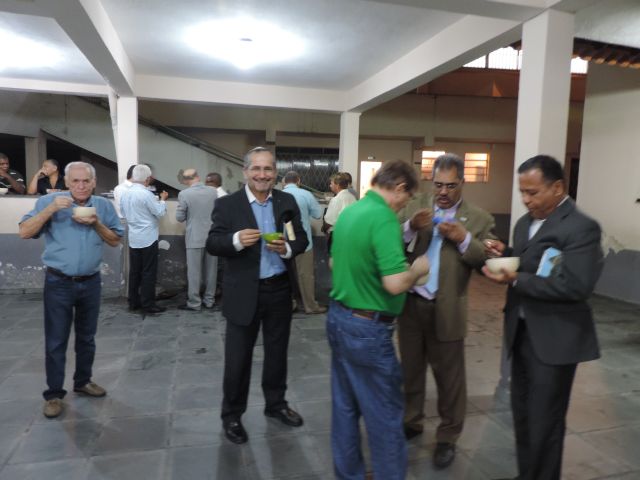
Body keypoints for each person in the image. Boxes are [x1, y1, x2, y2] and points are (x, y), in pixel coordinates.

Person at [482, 155, 603, 480]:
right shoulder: (525, 223)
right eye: (522, 191)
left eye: (532, 192)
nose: (525, 199)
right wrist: (506, 255)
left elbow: (576, 285)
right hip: (521, 331)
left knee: (545, 422)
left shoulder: (580, 227)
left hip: (555, 338)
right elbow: (530, 263)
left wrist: (516, 279)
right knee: (522, 414)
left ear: (558, 188)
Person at [327, 159, 430, 480]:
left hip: (339, 318)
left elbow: (333, 263)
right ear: (399, 188)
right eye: (408, 197)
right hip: (367, 330)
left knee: (345, 408)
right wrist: (417, 270)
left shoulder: (352, 211)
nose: (405, 205)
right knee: (385, 415)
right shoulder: (384, 217)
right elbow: (395, 283)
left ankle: (349, 474)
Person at [397, 153, 498, 469]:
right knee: (410, 370)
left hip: (448, 308)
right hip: (411, 305)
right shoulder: (415, 206)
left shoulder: (479, 218)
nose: (443, 192)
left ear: (462, 183)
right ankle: (411, 421)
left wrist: (464, 239)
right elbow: (391, 240)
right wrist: (411, 227)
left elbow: (487, 260)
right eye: (438, 184)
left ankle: (447, 437)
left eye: (451, 186)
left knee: (450, 379)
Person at [206, 147, 308, 445]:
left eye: (268, 169)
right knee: (238, 359)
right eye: (256, 169)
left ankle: (276, 405)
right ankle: (232, 415)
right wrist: (236, 240)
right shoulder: (227, 204)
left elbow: (300, 238)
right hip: (243, 292)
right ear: (245, 172)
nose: (262, 175)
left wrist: (287, 248)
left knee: (277, 354)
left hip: (278, 289)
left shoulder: (286, 201)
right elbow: (213, 242)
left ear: (275, 172)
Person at [18, 161, 123, 418]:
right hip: (59, 282)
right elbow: (24, 232)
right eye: (75, 181)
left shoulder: (103, 206)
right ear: (67, 182)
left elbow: (115, 239)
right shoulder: (49, 202)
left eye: (86, 181)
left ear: (94, 182)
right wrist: (51, 209)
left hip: (91, 281)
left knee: (87, 337)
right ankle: (53, 394)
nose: (81, 186)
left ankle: (83, 381)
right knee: (56, 340)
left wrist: (96, 224)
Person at [120, 164, 168, 315]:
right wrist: (163, 200)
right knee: (148, 272)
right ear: (147, 179)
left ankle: (133, 302)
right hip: (148, 237)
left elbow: (123, 213)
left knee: (135, 271)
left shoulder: (125, 194)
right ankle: (148, 304)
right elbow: (160, 212)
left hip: (134, 237)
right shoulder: (146, 194)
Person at [282, 171, 326, 314]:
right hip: (303, 242)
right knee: (305, 275)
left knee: (284, 274)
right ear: (299, 181)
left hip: (282, 242)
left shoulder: (278, 195)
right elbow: (318, 214)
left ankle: (290, 304)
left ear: (284, 181)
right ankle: (310, 306)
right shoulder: (306, 194)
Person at [175, 168, 218, 311]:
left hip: (194, 238)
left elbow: (179, 217)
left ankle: (194, 303)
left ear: (185, 180)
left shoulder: (184, 194)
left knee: (194, 273)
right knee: (211, 272)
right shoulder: (213, 192)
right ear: (198, 177)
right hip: (212, 237)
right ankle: (209, 300)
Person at [322, 172, 356, 252]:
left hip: (337, 235)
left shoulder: (336, 199)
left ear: (337, 185)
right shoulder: (352, 197)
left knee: (335, 256)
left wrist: (323, 228)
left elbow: (329, 222)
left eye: (331, 183)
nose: (330, 185)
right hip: (350, 233)